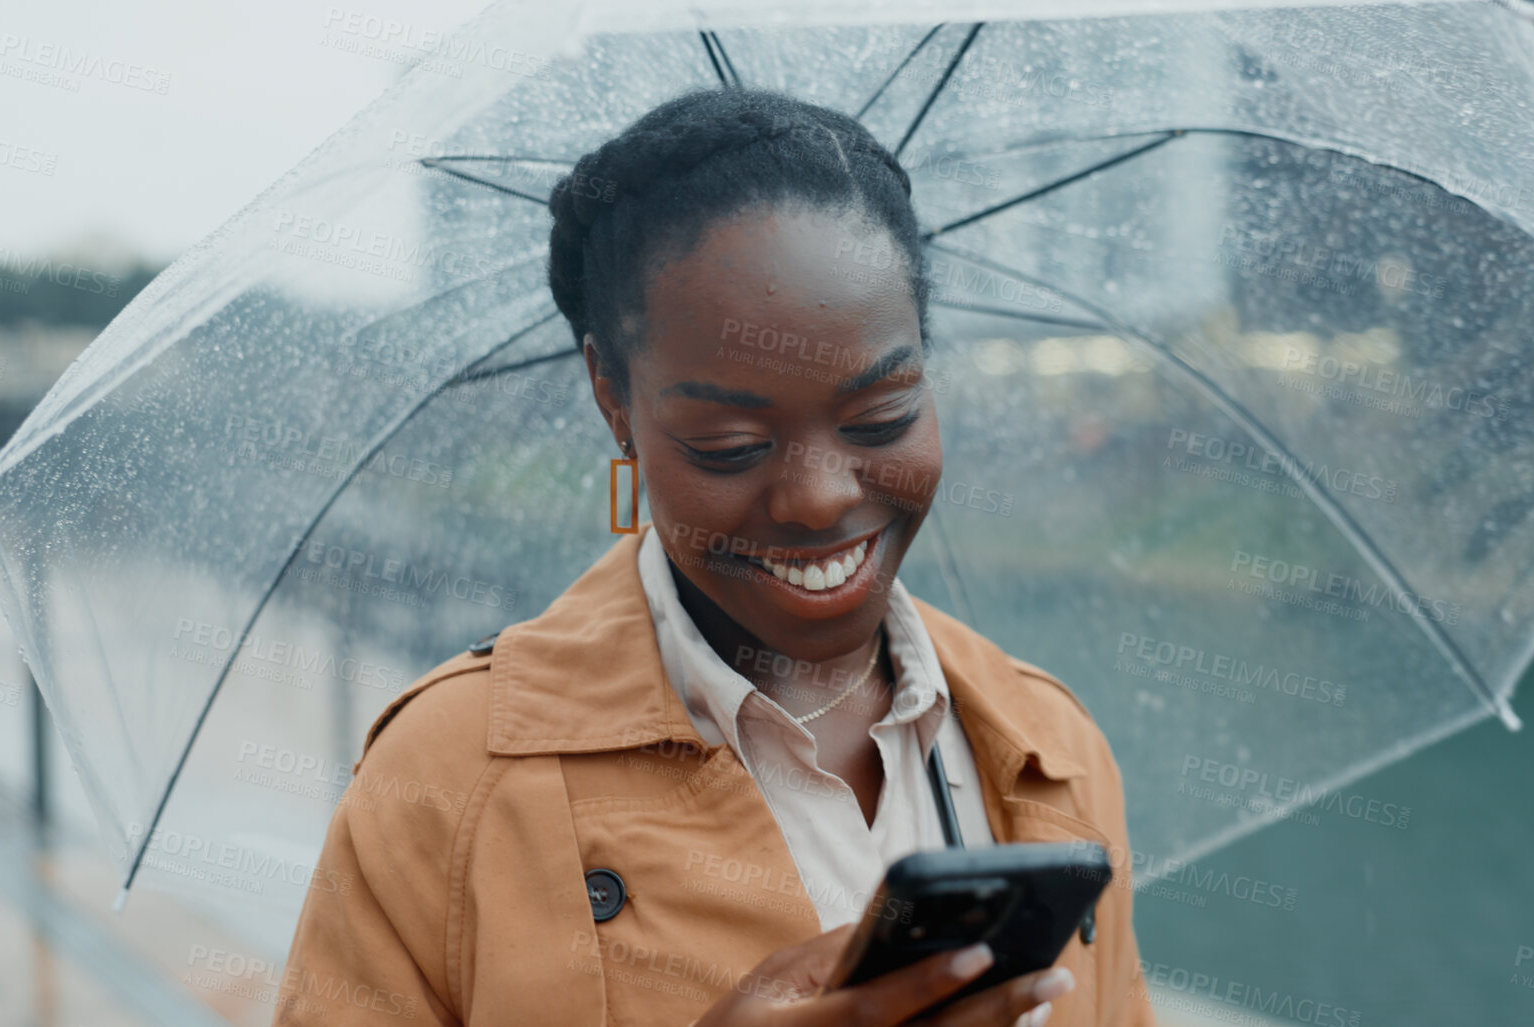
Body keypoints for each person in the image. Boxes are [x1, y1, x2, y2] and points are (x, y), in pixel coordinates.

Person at [276, 87, 1155, 1027]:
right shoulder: (449, 780)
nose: (819, 497)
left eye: (881, 416)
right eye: (729, 443)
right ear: (613, 397)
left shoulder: (1050, 751)